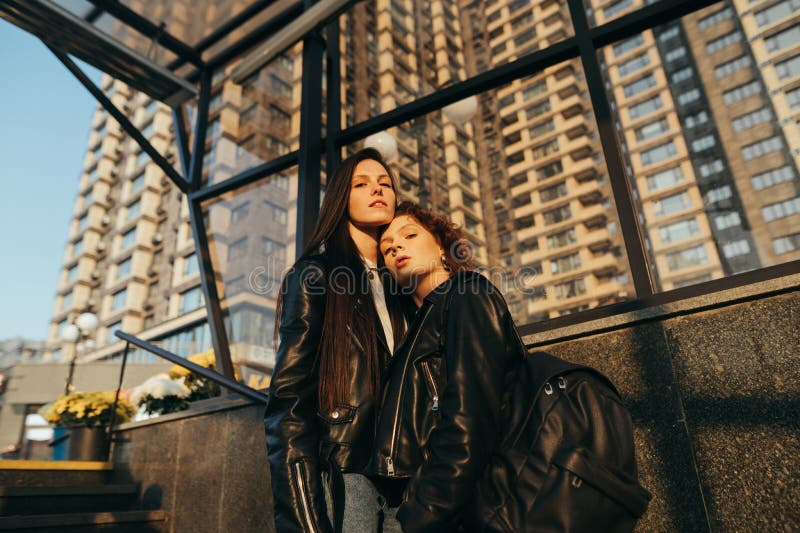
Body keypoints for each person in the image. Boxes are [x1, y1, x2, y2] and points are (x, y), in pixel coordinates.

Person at [264, 148, 410, 533]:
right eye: (362, 184)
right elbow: (288, 402)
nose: (378, 190)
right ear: (340, 200)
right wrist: (305, 520)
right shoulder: (317, 275)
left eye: (385, 184)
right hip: (346, 477)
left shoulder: (403, 287)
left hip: (406, 483)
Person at [374, 201, 525, 532]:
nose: (396, 246)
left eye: (409, 234)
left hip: (447, 511)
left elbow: (470, 418)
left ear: (442, 245)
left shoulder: (467, 293)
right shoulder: (412, 335)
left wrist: (424, 512)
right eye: (387, 249)